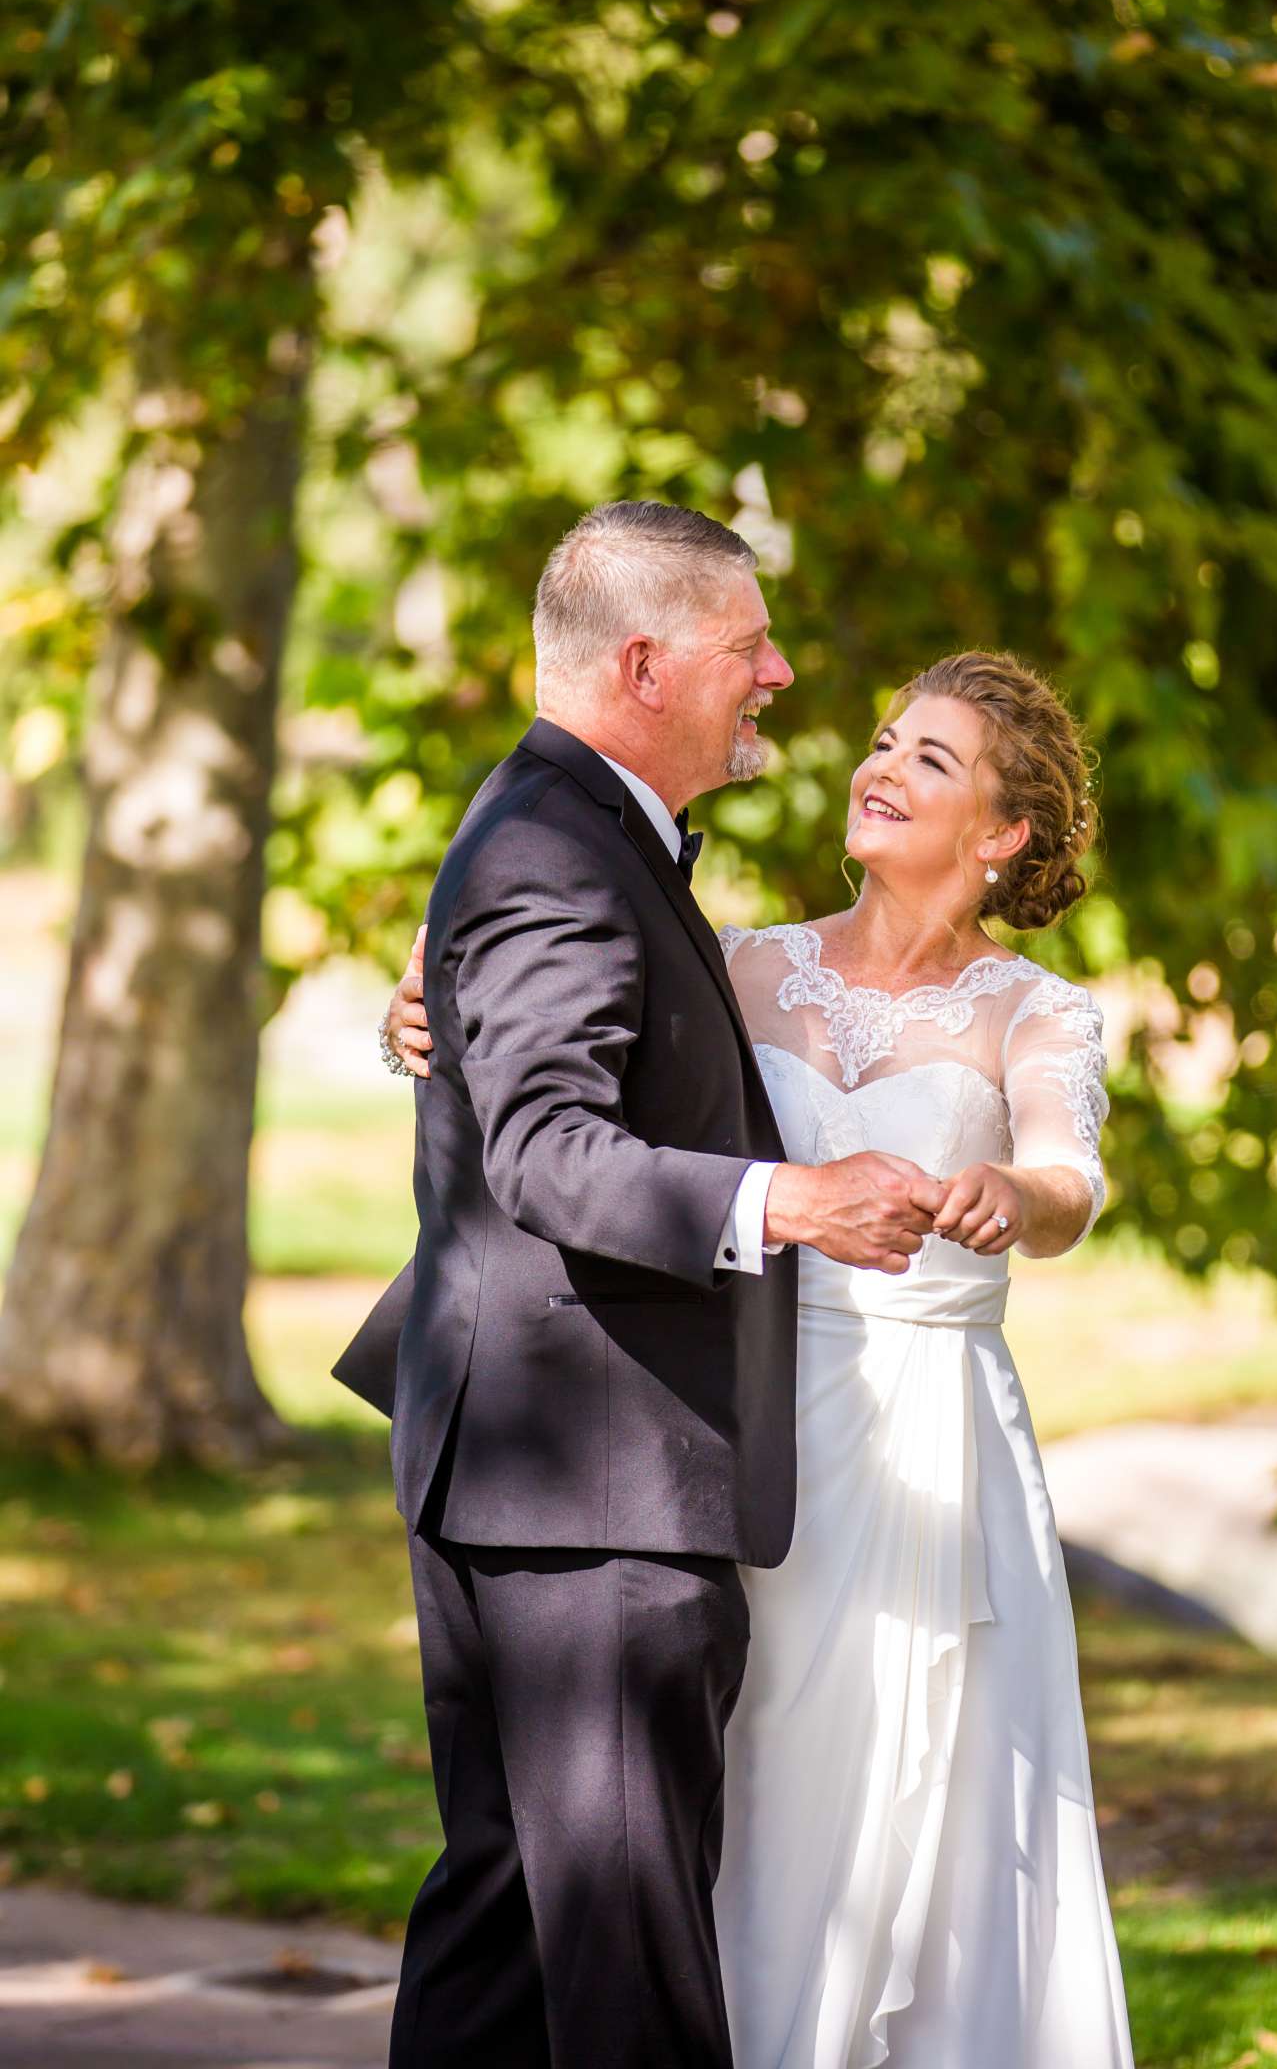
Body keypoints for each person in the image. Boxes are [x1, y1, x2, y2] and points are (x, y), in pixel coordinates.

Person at [383, 644, 1137, 2066]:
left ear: (1006, 833)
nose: (879, 766)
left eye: (931, 759)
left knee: (919, 1793)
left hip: (927, 1445)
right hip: (740, 1421)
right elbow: (584, 1089)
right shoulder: (745, 963)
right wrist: (423, 1021)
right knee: (730, 1781)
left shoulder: (1037, 1012)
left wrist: (1016, 1201)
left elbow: (1068, 1177)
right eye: (883, 740)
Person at [334, 500, 945, 2069]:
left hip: (534, 1477)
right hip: (590, 1491)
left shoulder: (570, 830)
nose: (782, 673)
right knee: (626, 1960)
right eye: (752, 648)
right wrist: (784, 1198)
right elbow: (548, 1152)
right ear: (651, 663)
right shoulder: (556, 844)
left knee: (509, 1933)